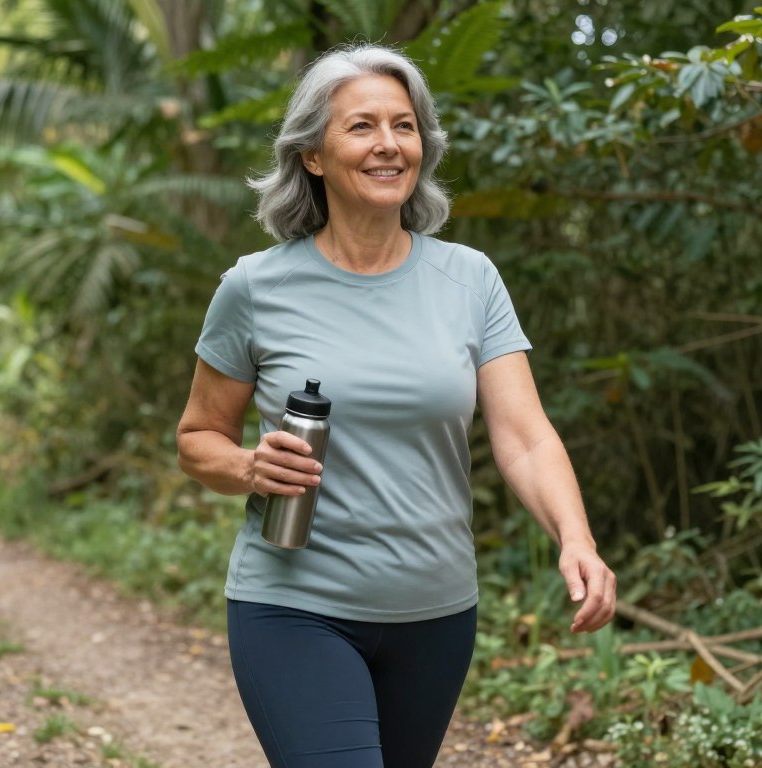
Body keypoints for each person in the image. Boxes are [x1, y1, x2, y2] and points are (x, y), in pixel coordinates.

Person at [176, 43, 616, 768]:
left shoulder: (468, 279)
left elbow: (525, 437)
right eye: (362, 126)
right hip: (293, 606)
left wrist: (576, 537)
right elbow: (198, 437)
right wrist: (251, 468)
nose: (388, 144)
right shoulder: (255, 287)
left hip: (437, 614)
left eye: (404, 126)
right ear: (313, 154)